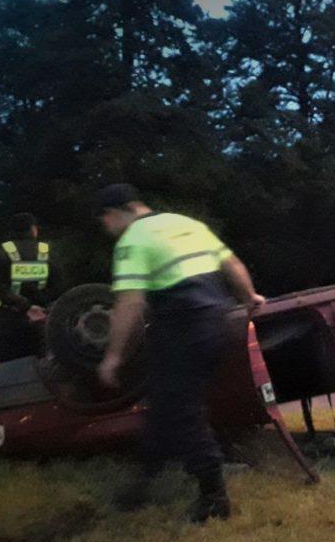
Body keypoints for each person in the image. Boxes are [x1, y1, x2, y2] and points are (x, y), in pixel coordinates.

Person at [94, 183, 265, 522]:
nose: (106, 229)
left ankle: (214, 496)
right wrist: (250, 297)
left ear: (115, 213)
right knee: (163, 403)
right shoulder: (184, 222)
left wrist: (112, 357)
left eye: (104, 221)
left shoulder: (132, 241)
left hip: (184, 329)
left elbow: (129, 302)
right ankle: (144, 480)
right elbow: (231, 262)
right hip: (218, 322)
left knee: (182, 410)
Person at [0, 212, 57, 363]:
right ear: (33, 229)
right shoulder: (46, 251)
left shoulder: (3, 251)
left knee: (9, 365)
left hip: (8, 318)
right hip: (41, 317)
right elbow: (58, 284)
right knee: (39, 364)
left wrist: (25, 306)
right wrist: (39, 304)